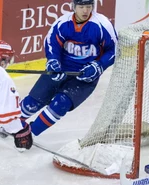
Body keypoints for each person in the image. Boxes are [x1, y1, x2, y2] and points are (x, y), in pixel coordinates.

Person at [19, 0, 118, 136]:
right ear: (74, 7)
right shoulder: (62, 23)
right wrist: (53, 62)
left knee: (61, 104)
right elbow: (51, 42)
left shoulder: (102, 24)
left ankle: (29, 134)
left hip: (85, 77)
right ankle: (12, 124)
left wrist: (98, 66)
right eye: (81, 7)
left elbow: (114, 49)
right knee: (34, 101)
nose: (85, 11)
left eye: (88, 7)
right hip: (61, 70)